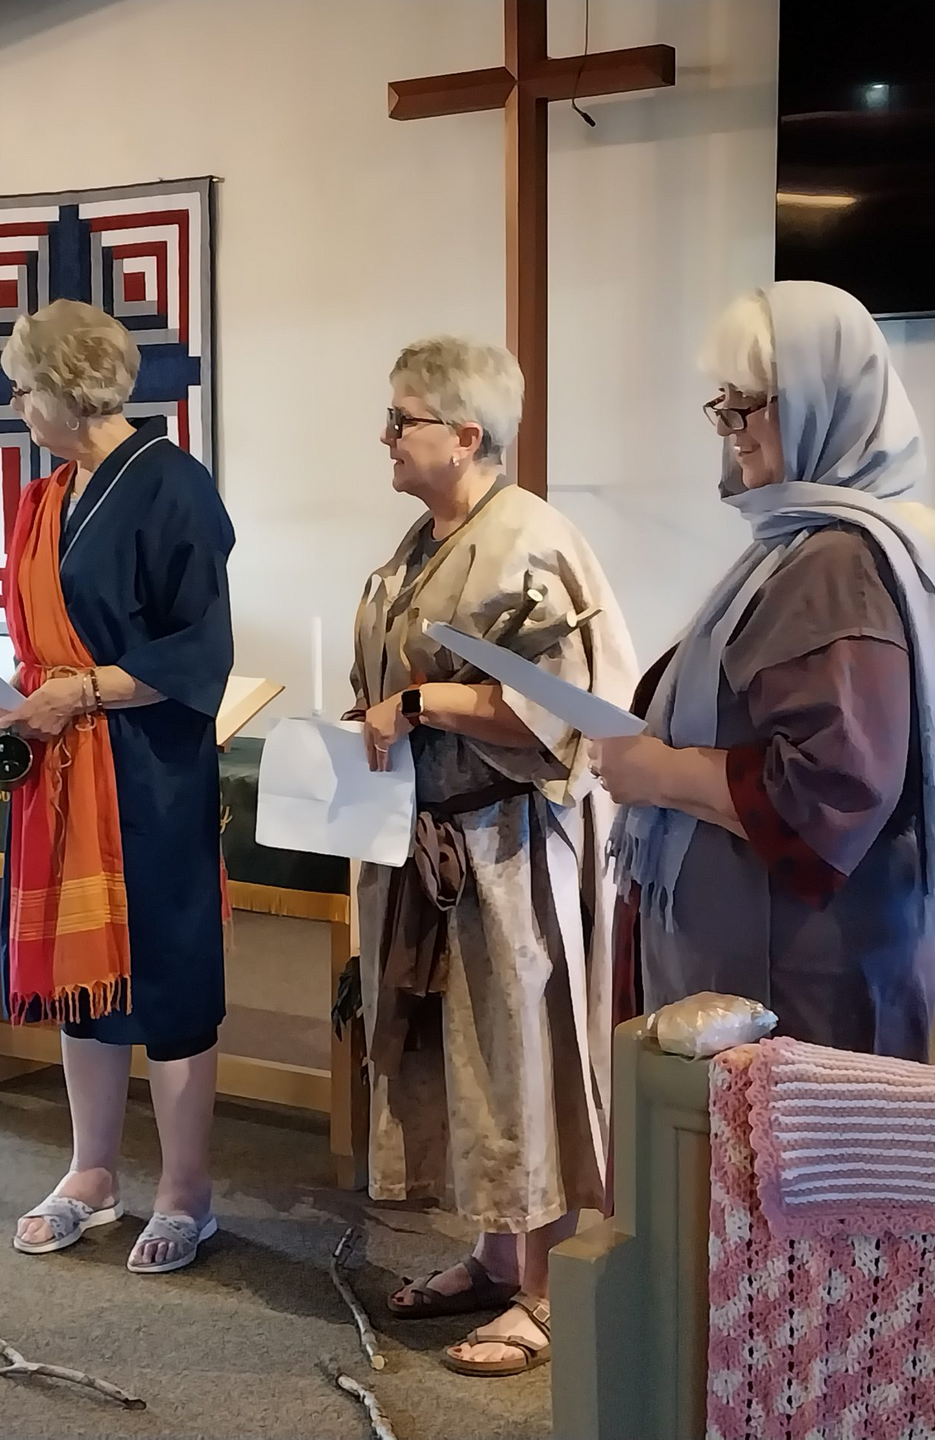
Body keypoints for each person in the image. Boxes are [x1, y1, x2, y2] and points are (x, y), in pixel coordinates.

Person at [595, 281, 935, 1061]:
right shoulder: (818, 543)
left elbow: (831, 790)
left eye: (751, 403)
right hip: (788, 948)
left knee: (776, 1172)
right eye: (723, 402)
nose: (730, 429)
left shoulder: (837, 561)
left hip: (793, 974)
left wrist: (660, 773)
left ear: (821, 403)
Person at [352, 336, 637, 1377]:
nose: (383, 435)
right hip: (431, 846)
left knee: (526, 1051)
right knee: (464, 1057)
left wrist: (421, 700)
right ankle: (492, 1254)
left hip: (511, 845)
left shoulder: (533, 539)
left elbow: (571, 710)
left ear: (466, 434)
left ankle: (549, 1289)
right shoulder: (423, 537)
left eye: (402, 418)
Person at [0, 299, 234, 1274]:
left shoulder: (173, 484)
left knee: (169, 972)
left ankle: (187, 1193)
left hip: (151, 769)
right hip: (62, 770)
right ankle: (92, 1172)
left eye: (24, 385)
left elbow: (199, 649)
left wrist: (80, 691)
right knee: (82, 977)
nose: (14, 401)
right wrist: (31, 697)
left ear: (66, 390)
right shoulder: (52, 495)